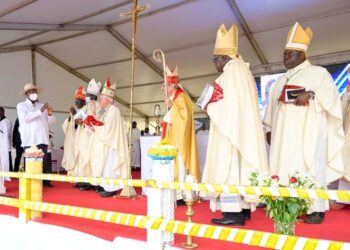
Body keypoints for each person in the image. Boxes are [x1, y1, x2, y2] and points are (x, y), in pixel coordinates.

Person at [263, 22, 345, 224]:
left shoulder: (319, 73)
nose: (284, 57)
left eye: (290, 54)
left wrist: (311, 94)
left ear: (302, 55)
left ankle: (315, 210)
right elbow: (271, 107)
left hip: (309, 133)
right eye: (284, 54)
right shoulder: (281, 80)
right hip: (283, 136)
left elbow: (332, 98)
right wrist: (270, 128)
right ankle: (289, 206)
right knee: (284, 168)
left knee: (311, 168)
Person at [200, 24, 268, 225]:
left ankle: (233, 212)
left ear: (223, 57)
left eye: (215, 59)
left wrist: (209, 103)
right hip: (239, 130)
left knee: (230, 168)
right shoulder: (242, 70)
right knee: (241, 168)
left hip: (230, 133)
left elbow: (228, 107)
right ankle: (244, 209)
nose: (214, 63)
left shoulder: (232, 72)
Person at [161, 64, 200, 205]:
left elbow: (185, 120)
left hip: (180, 141)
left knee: (181, 166)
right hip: (174, 139)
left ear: (171, 86)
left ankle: (182, 194)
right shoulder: (174, 99)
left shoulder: (181, 97)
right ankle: (176, 193)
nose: (162, 89)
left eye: (164, 86)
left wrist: (171, 108)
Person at [88, 80, 129, 197]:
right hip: (109, 143)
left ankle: (111, 188)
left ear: (108, 99)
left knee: (110, 166)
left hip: (112, 145)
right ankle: (107, 186)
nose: (100, 100)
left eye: (102, 98)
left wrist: (96, 127)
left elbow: (107, 131)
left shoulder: (113, 111)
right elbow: (103, 126)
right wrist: (94, 124)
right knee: (106, 166)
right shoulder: (108, 111)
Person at [17, 83, 56, 187]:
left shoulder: (41, 105)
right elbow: (26, 118)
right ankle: (31, 183)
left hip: (42, 138)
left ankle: (44, 182)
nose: (33, 93)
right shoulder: (21, 106)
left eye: (35, 91)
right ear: (26, 94)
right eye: (31, 92)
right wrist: (41, 110)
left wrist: (50, 113)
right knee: (30, 163)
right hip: (29, 139)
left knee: (43, 162)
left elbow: (51, 122)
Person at [75, 79, 102, 191]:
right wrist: (79, 121)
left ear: (94, 96)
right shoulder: (85, 107)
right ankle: (86, 180)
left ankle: (94, 182)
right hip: (84, 138)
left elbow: (100, 121)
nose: (87, 96)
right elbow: (77, 118)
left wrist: (89, 123)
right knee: (84, 158)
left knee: (93, 159)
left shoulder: (99, 107)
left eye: (89, 95)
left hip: (94, 137)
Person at [61, 86, 86, 176]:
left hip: (83, 141)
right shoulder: (76, 112)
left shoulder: (86, 110)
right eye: (75, 100)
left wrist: (75, 114)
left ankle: (84, 180)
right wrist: (70, 119)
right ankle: (77, 179)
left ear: (84, 101)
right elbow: (66, 126)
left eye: (78, 100)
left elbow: (85, 123)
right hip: (74, 141)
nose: (76, 102)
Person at [0, 107, 12, 172]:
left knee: (7, 158)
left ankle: (9, 172)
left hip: (5, 143)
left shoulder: (7, 122)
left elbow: (8, 133)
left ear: (3, 112)